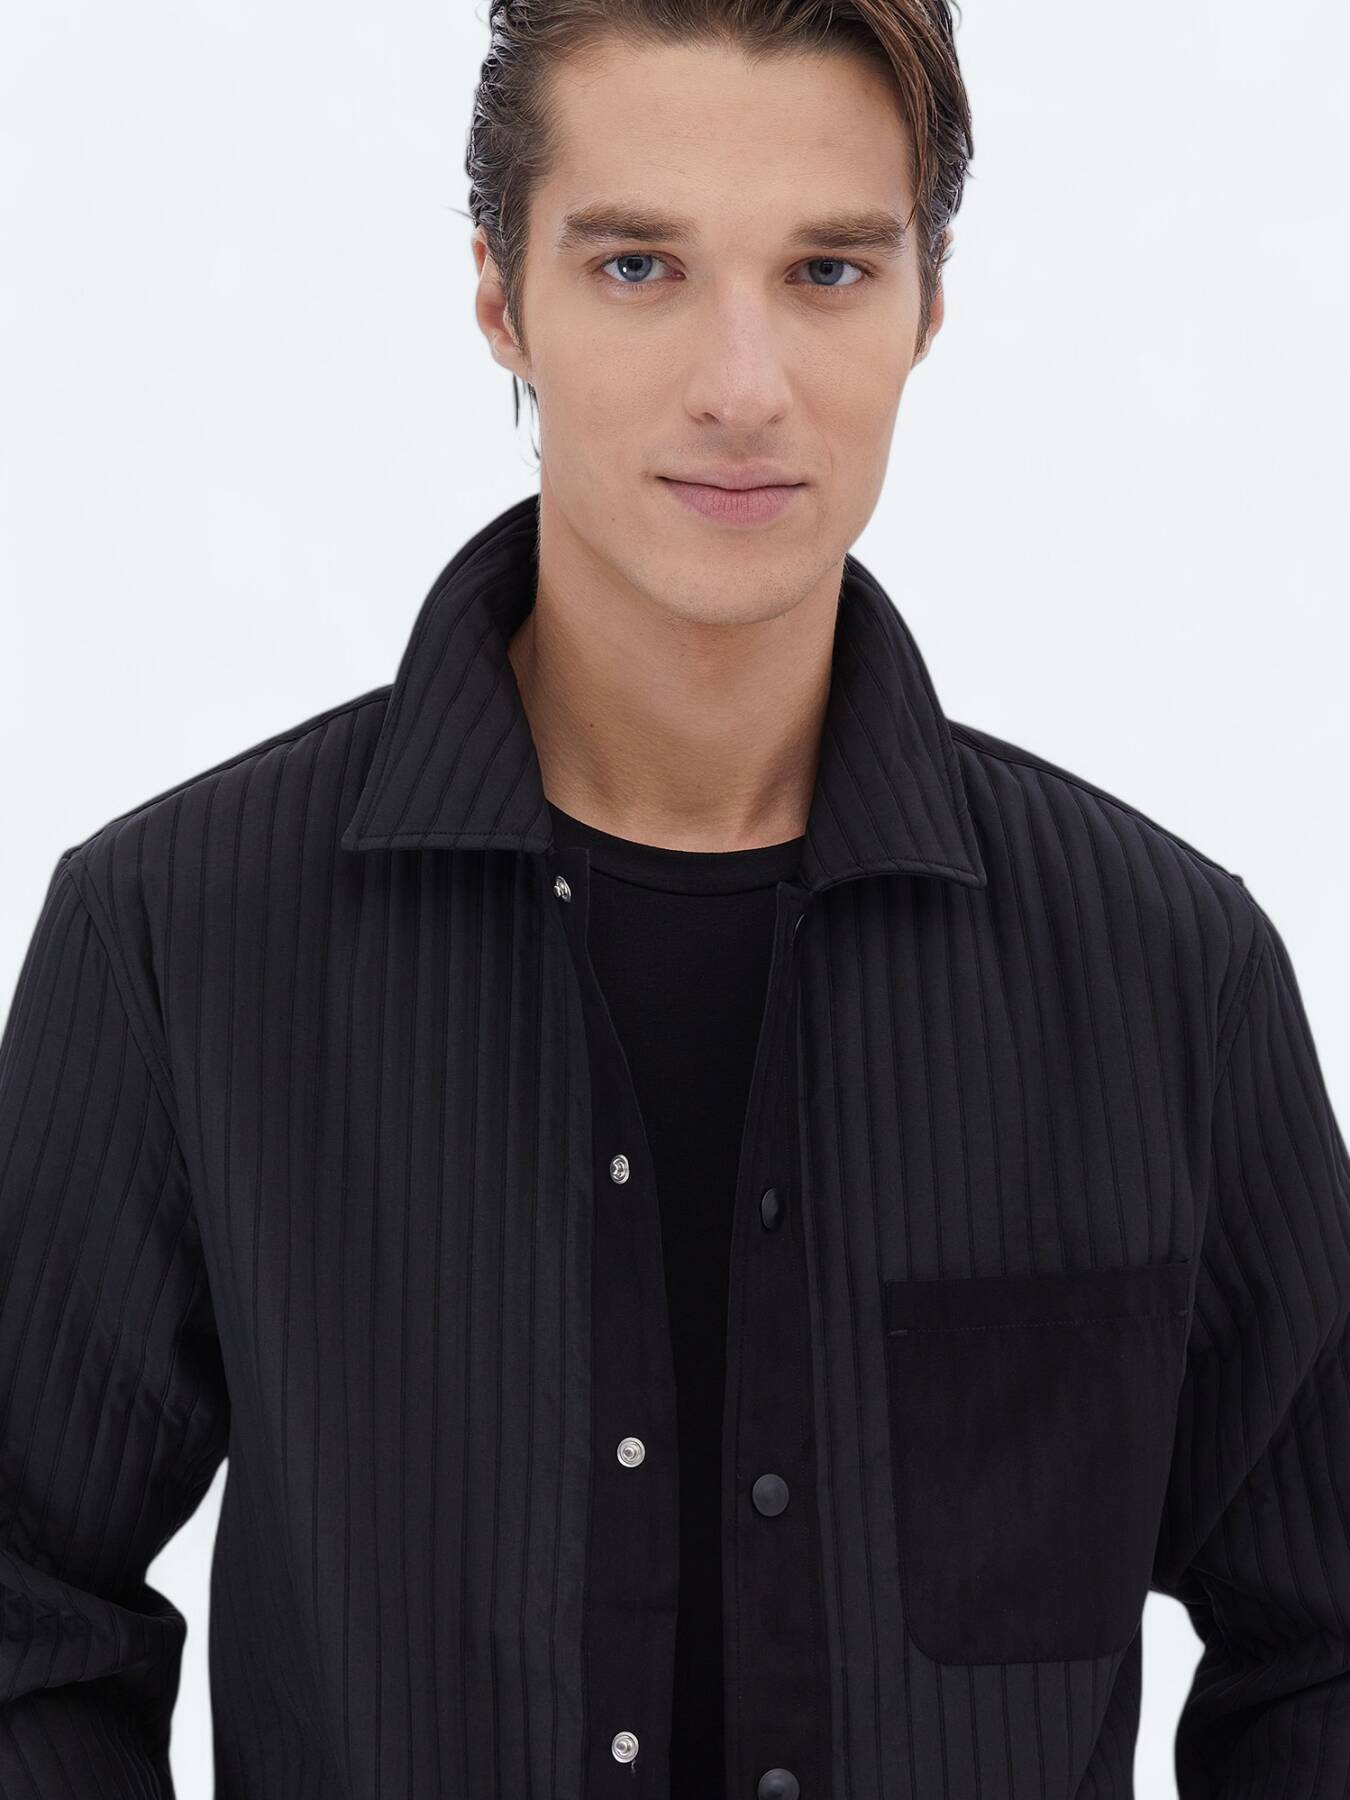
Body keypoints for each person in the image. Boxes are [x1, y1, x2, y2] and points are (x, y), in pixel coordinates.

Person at [2, 4, 1347, 1797]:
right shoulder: (177, 944)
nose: (741, 383)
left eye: (826, 271)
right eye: (637, 266)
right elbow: (26, 1618)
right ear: (501, 298)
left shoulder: (1169, 977)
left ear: (927, 306)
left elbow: (1322, 1648)